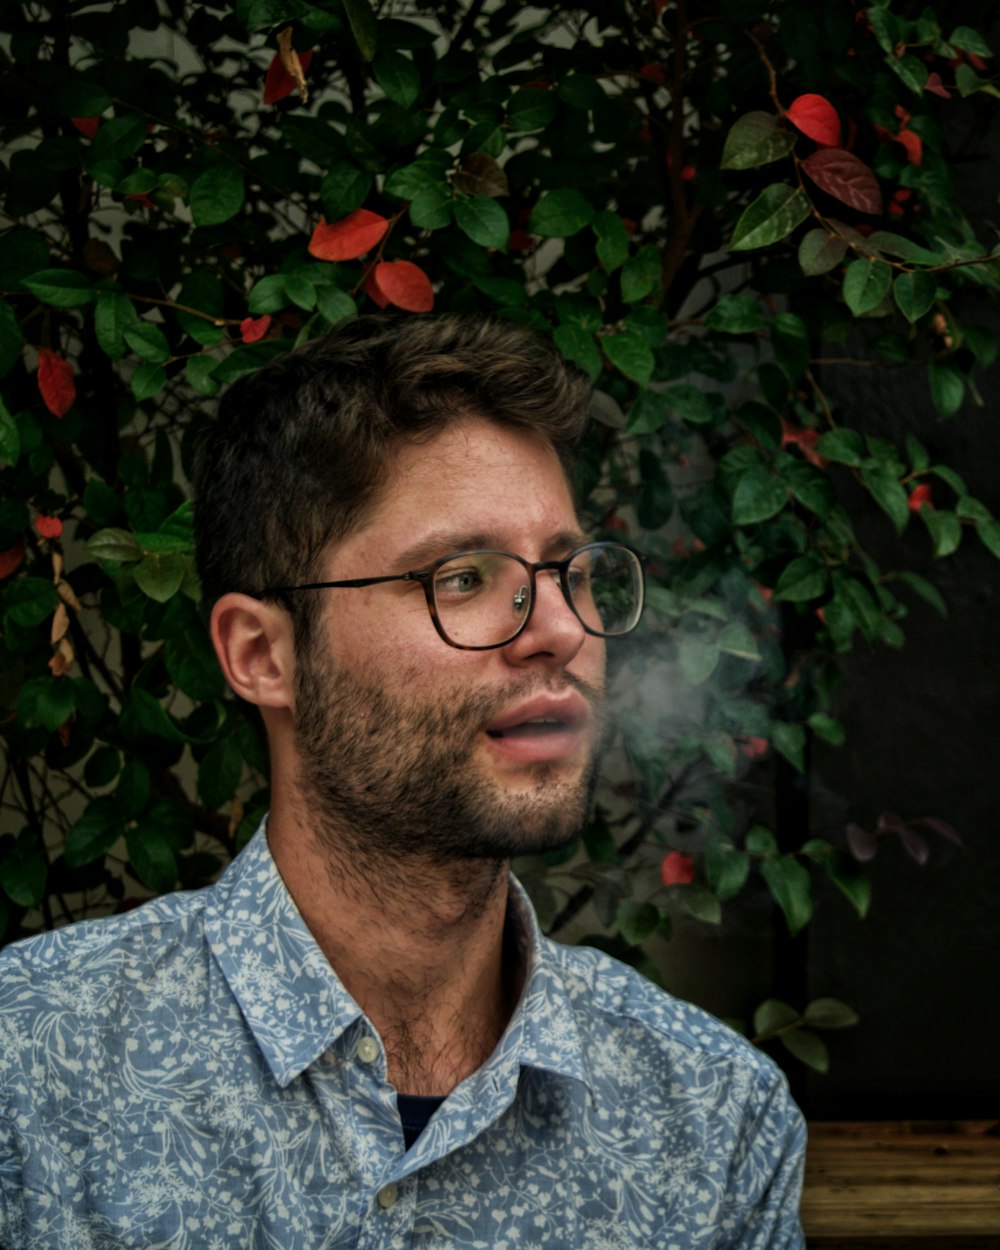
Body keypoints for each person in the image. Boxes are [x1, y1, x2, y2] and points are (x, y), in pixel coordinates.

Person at [0, 314, 805, 1248]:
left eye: (568, 572)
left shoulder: (712, 1121)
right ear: (264, 655)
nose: (559, 631)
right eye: (462, 577)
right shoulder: (30, 1077)